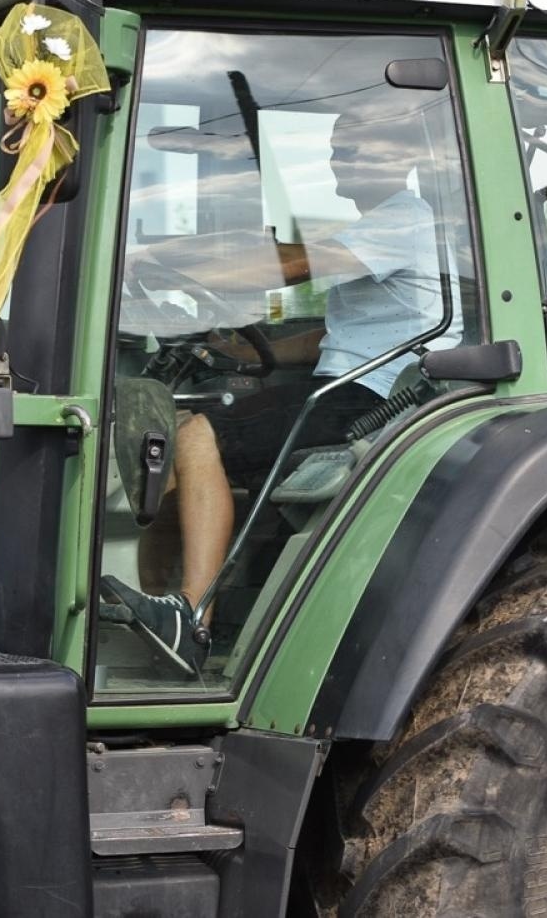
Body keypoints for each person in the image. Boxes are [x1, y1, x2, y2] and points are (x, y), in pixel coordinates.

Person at [103, 109, 461, 673]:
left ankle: (191, 619)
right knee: (171, 447)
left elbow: (295, 266)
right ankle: (162, 612)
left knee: (195, 436)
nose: (338, 159)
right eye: (336, 149)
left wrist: (180, 261)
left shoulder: (405, 219)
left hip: (376, 399)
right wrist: (248, 352)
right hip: (348, 383)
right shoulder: (384, 226)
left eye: (354, 149)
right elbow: (336, 334)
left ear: (403, 157)